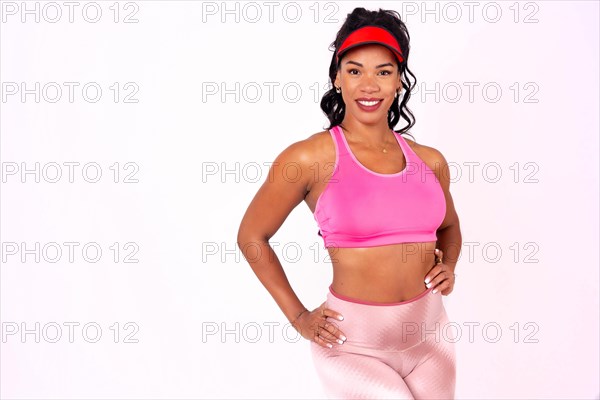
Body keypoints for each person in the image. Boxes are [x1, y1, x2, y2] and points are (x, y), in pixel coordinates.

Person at [237, 7, 462, 400]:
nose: (369, 85)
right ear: (337, 78)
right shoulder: (310, 157)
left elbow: (449, 227)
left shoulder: (431, 160)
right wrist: (298, 316)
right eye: (355, 70)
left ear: (399, 81)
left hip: (430, 339)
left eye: (383, 71)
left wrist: (450, 266)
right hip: (352, 344)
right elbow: (252, 236)